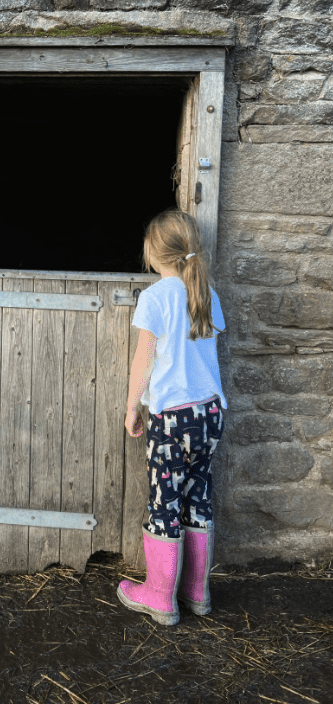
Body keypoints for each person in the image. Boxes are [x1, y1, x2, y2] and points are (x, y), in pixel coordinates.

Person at [117, 208, 227, 626]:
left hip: (173, 420)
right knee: (198, 498)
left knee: (165, 503)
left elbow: (144, 361)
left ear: (152, 251)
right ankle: (197, 593)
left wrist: (132, 407)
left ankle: (160, 596)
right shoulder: (208, 294)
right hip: (211, 415)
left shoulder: (155, 297)